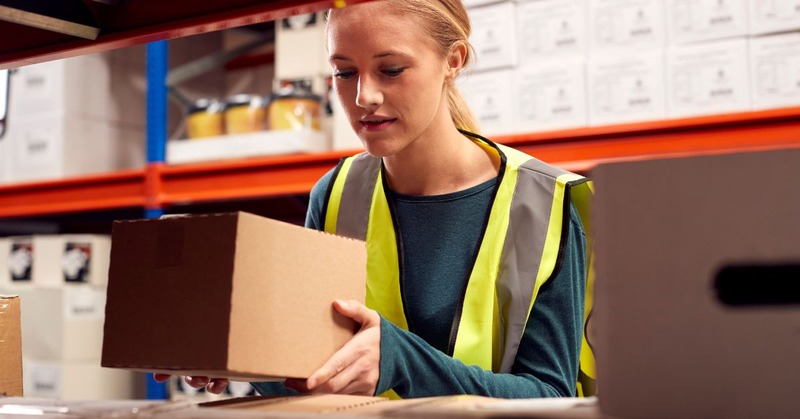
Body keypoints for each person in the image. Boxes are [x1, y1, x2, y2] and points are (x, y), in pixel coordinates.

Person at [157, 0, 595, 399]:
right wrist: (240, 360)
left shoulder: (548, 202)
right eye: (345, 73)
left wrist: (402, 362)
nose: (364, 96)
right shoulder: (335, 193)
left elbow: (553, 397)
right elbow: (318, 369)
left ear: (453, 60)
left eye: (391, 70)